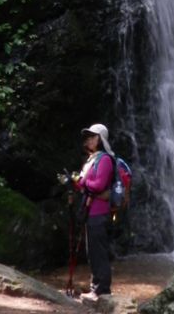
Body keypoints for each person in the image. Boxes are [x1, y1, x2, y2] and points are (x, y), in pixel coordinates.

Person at [76, 123, 115, 301]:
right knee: (92, 251)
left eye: (93, 136)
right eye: (88, 137)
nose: (89, 140)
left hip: (99, 213)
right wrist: (75, 181)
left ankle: (102, 289)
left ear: (100, 139)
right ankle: (95, 287)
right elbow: (84, 185)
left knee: (99, 251)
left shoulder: (105, 160)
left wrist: (82, 181)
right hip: (90, 212)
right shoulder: (93, 159)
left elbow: (98, 185)